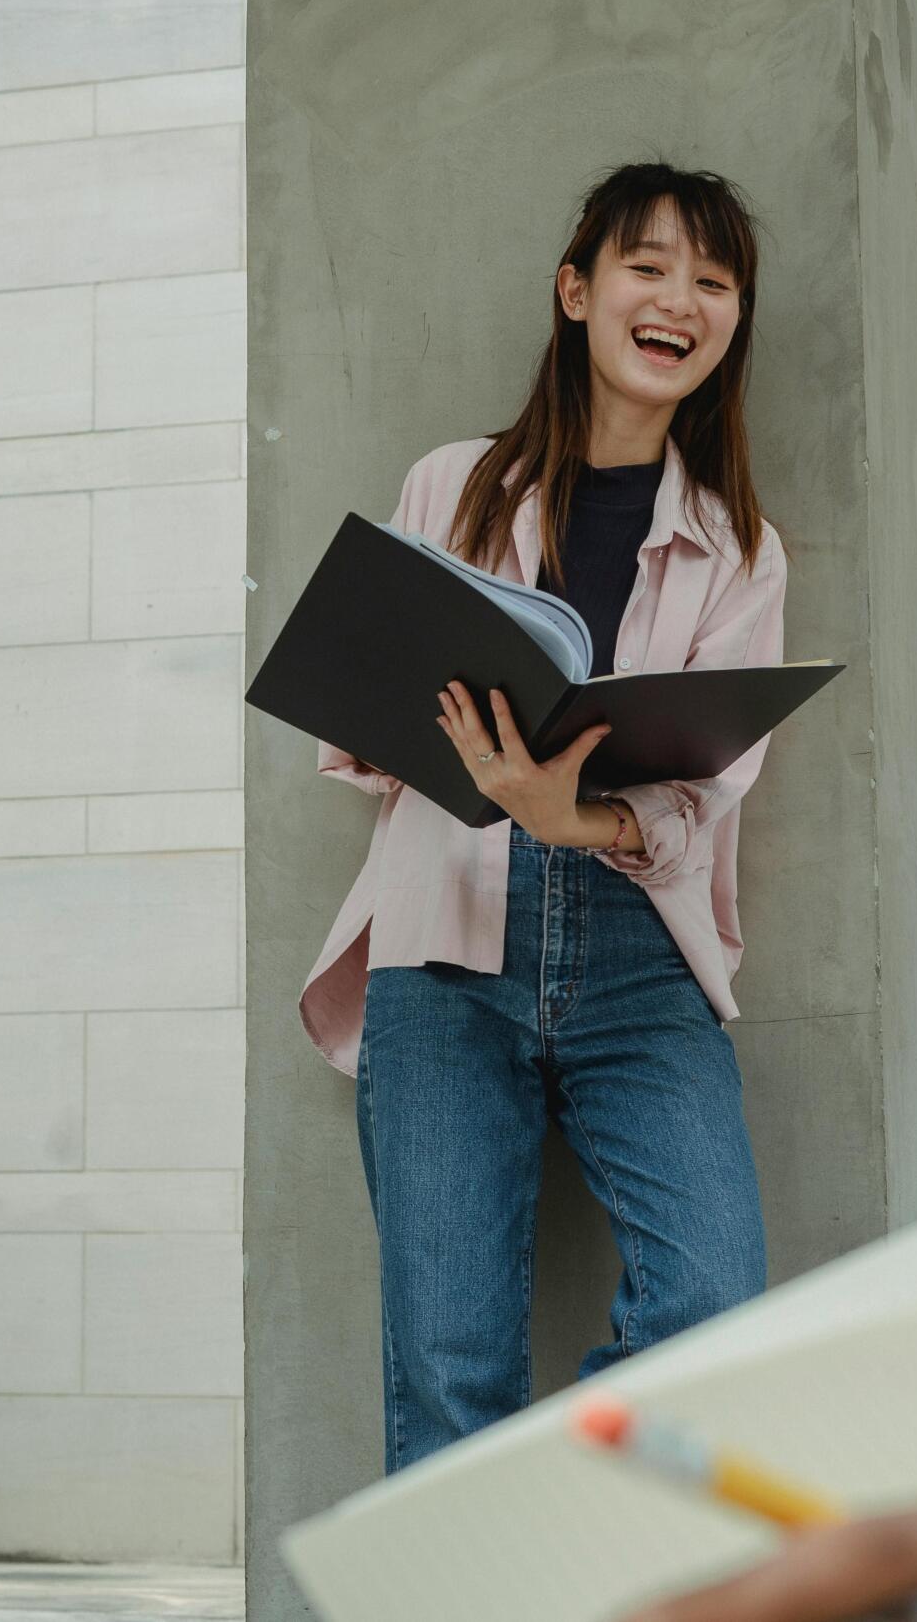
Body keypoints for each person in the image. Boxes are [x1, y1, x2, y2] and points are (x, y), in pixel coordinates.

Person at [303, 164, 786, 1472]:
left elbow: (706, 797)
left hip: (640, 955)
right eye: (649, 266)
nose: (681, 298)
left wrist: (582, 818)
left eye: (715, 280)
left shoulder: (741, 548)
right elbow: (368, 731)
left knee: (714, 1309)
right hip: (445, 947)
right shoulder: (450, 485)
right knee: (446, 1371)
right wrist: (467, 760)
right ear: (577, 291)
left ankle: (550, 1514)